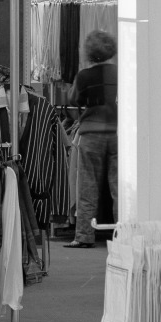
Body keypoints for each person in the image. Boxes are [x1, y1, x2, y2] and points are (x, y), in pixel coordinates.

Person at [65, 29, 117, 248]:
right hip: (117, 133)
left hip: (91, 133)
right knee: (118, 187)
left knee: (88, 185)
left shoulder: (84, 76)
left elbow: (74, 98)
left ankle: (84, 236)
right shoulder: (119, 73)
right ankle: (125, 234)